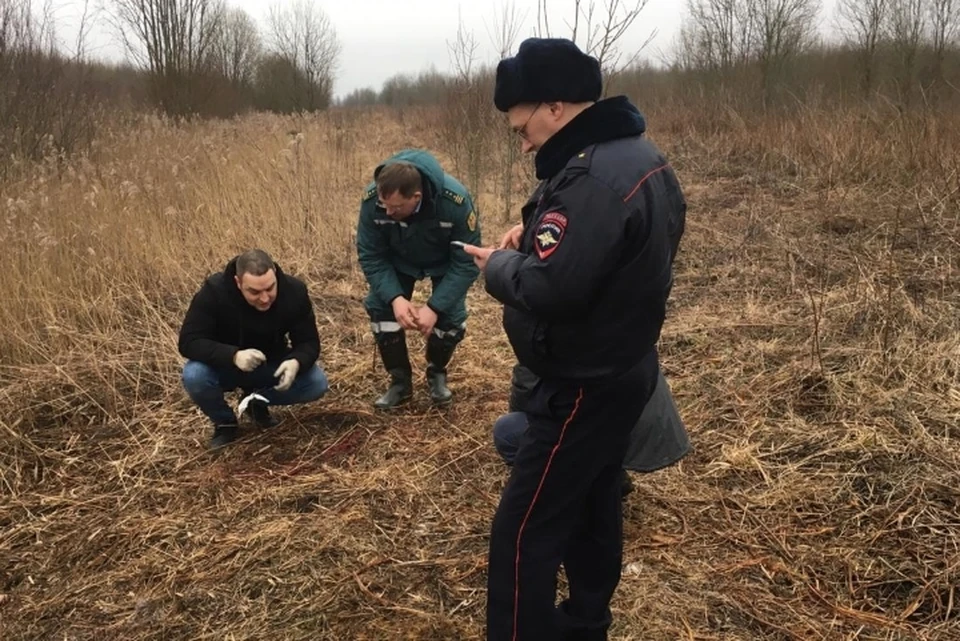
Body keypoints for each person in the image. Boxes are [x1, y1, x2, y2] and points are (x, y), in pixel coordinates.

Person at [460, 37, 688, 641]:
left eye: (522, 127)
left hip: (581, 384)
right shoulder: (640, 155)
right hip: (622, 369)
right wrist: (535, 232)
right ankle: (586, 622)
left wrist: (496, 267)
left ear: (555, 106)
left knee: (522, 532)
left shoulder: (589, 178)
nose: (522, 139)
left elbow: (552, 288)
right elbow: (626, 248)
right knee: (594, 503)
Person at [356, 149, 481, 409]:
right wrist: (395, 298)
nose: (389, 212)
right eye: (385, 205)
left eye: (397, 207)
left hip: (444, 262)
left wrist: (434, 307)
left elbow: (466, 261)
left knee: (451, 321)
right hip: (397, 262)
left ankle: (436, 372)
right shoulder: (373, 201)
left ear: (417, 197)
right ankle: (400, 381)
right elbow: (371, 255)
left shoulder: (455, 202)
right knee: (380, 309)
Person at [178, 249, 329, 449]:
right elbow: (189, 341)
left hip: (270, 365)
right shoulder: (214, 292)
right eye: (255, 292)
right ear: (238, 282)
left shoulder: (294, 291)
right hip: (225, 366)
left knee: (316, 383)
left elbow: (309, 342)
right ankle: (225, 423)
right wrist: (233, 355)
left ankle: (256, 403)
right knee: (194, 375)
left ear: (274, 273)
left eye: (270, 288)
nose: (265, 298)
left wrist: (296, 362)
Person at [492, 362, 690, 497]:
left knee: (508, 431)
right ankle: (608, 478)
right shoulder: (621, 315)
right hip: (648, 424)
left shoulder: (549, 319)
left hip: (611, 427)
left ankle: (577, 490)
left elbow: (526, 393)